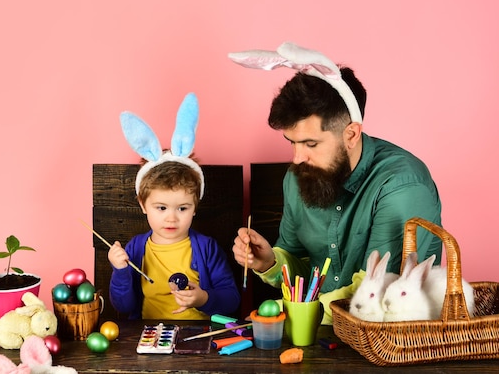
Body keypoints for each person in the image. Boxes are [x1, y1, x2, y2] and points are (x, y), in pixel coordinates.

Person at [228, 42, 443, 323]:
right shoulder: (297, 178)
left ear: (351, 134)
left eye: (310, 143)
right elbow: (303, 272)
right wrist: (269, 262)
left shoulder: (401, 185)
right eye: (291, 142)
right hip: (317, 338)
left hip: (387, 345)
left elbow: (378, 293)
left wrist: (295, 312)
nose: (296, 158)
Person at [109, 93, 240, 320]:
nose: (171, 218)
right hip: (149, 336)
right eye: (161, 208)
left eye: (182, 208)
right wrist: (120, 271)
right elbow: (123, 305)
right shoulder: (135, 248)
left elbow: (232, 300)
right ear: (143, 204)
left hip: (198, 337)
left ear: (195, 206)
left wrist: (204, 299)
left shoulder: (206, 247)